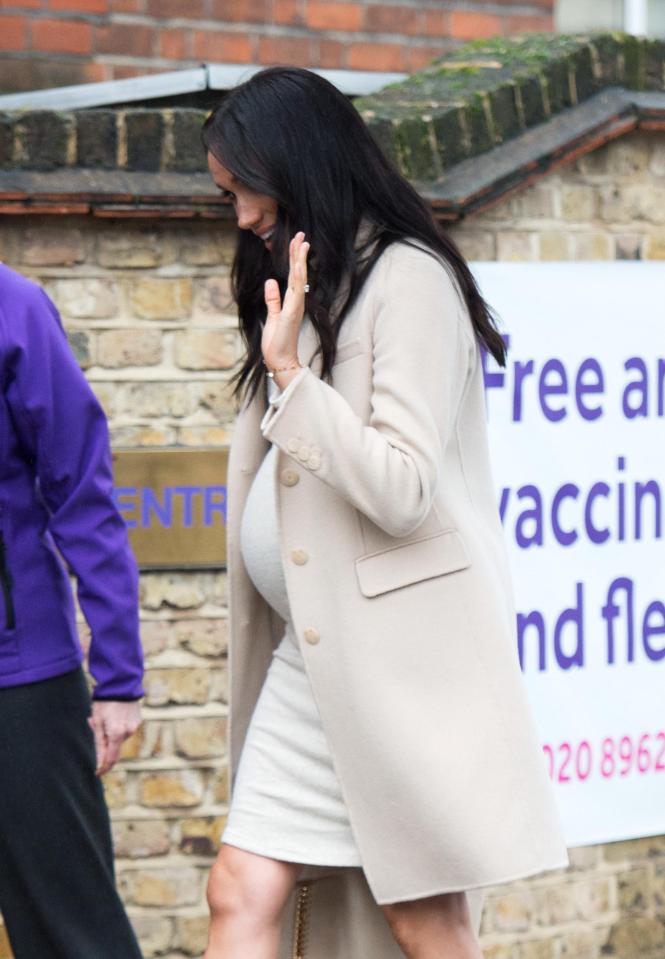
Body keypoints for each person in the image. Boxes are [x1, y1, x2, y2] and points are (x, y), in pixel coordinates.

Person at [201, 66, 569, 959]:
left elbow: (402, 488)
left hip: (398, 666)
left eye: (245, 189)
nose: (243, 215)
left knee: (421, 920)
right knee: (238, 887)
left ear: (296, 165)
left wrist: (291, 377)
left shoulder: (410, 282)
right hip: (314, 661)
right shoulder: (312, 282)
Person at [0, 265, 144, 958]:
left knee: (72, 938)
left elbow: (81, 492)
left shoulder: (14, 310)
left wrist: (117, 675)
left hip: (18, 686)